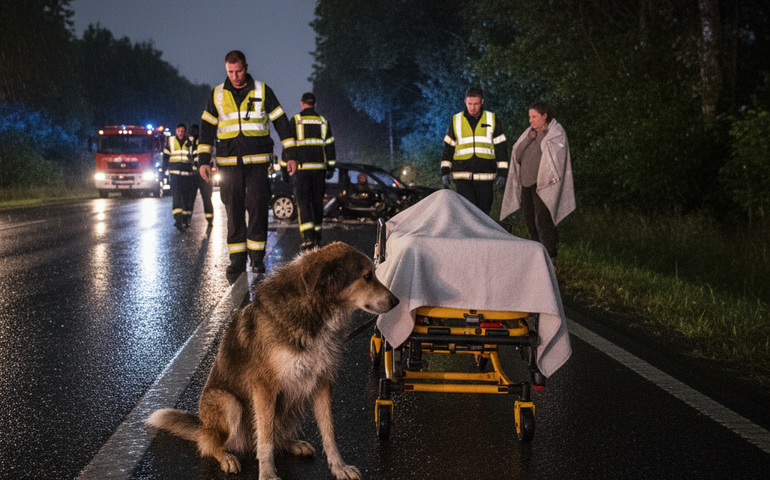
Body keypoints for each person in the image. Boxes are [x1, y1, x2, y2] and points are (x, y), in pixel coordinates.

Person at [198, 50, 296, 274]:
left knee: (259, 206)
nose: (234, 76)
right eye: (230, 72)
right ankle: (237, 259)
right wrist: (203, 159)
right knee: (233, 209)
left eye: (238, 70)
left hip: (258, 163)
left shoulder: (262, 90)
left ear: (246, 67)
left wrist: (290, 153)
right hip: (228, 162)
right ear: (226, 70)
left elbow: (281, 122)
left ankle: (257, 257)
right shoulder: (217, 95)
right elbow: (206, 129)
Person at [500, 101, 575, 268]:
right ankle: (538, 256)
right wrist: (528, 139)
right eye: (529, 117)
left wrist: (541, 140)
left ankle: (551, 257)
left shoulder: (555, 134)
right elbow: (517, 155)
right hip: (526, 184)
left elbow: (555, 159)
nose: (531, 120)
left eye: (534, 117)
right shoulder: (529, 133)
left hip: (544, 186)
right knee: (530, 220)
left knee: (543, 220)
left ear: (544, 116)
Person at [281, 92, 336, 251]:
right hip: (319, 170)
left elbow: (288, 146)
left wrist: (285, 168)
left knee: (303, 203)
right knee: (317, 203)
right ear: (315, 104)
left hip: (302, 170)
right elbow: (330, 146)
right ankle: (317, 237)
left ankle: (307, 238)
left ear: (302, 103)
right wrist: (331, 166)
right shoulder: (323, 122)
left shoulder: (296, 120)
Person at [441, 86, 508, 215]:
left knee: (483, 213)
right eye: (469, 103)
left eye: (476, 104)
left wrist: (503, 173)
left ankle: (482, 235)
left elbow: (501, 147)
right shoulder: (456, 120)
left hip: (485, 176)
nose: (472, 107)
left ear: (482, 102)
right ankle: (467, 235)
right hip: (462, 176)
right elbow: (448, 147)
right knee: (467, 213)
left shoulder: (491, 119)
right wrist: (445, 171)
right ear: (465, 101)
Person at [163, 123, 196, 228]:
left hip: (187, 173)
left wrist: (194, 167)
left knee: (186, 197)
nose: (180, 133)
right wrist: (165, 169)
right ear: (176, 131)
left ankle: (186, 219)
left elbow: (194, 155)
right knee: (176, 196)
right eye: (178, 131)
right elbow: (165, 156)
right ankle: (178, 219)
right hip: (175, 173)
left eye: (182, 131)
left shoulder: (190, 141)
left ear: (185, 132)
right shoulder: (170, 141)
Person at [189, 124, 214, 226]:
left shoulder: (196, 142)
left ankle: (209, 219)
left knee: (204, 197)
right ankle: (209, 219)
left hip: (200, 173)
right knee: (203, 198)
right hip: (197, 173)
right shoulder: (193, 142)